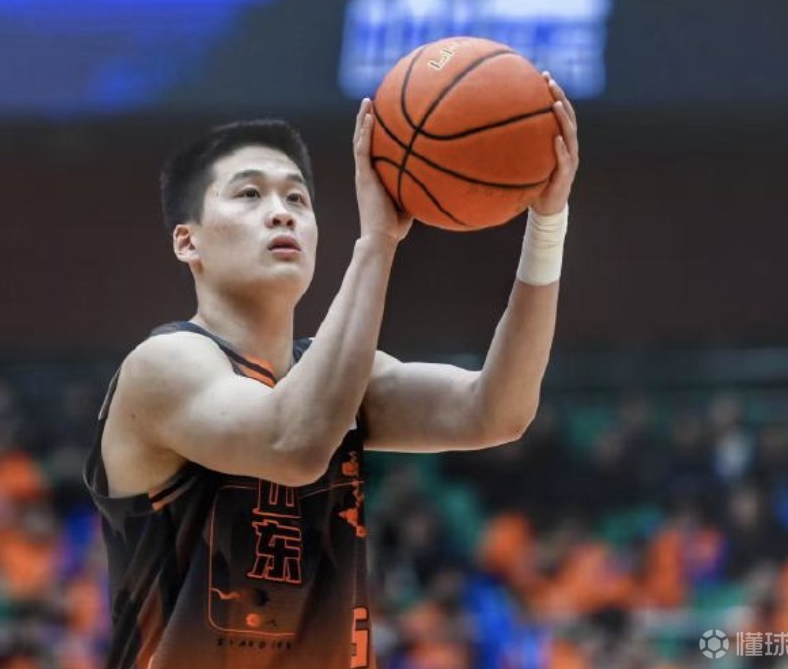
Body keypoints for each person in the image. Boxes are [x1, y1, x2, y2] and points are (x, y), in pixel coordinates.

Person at [83, 73, 579, 669]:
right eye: (249, 195)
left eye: (297, 199)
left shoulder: (342, 374)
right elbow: (293, 444)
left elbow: (496, 412)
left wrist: (547, 224)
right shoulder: (162, 364)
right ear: (188, 243)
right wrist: (378, 243)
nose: (281, 214)